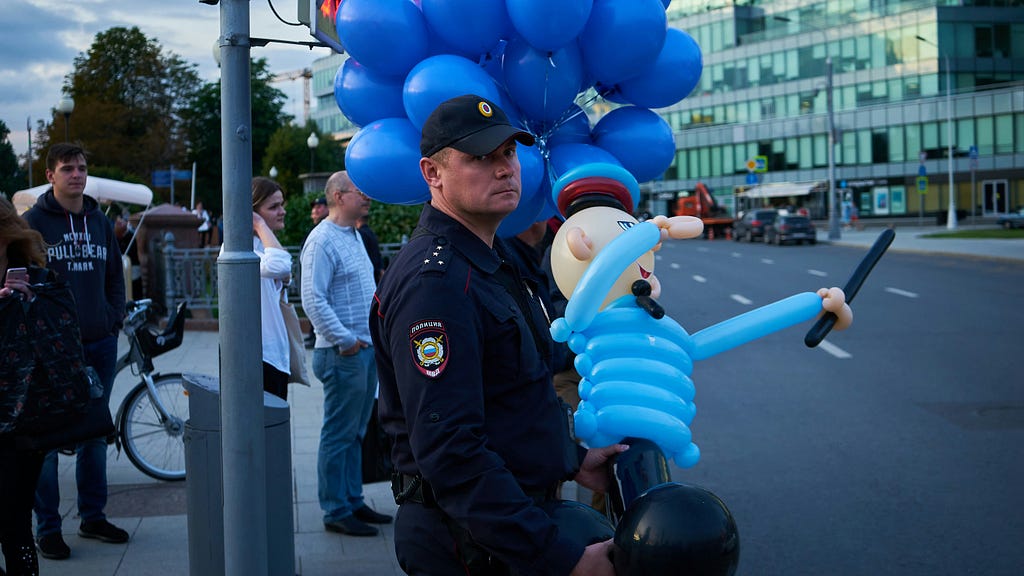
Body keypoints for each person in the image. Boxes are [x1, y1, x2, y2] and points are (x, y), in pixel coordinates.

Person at [369, 94, 626, 576]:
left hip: (501, 526)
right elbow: (452, 450)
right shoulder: (437, 284)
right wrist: (560, 558)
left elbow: (514, 395)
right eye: (481, 158)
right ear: (432, 173)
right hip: (469, 543)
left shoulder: (492, 260)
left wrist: (572, 459)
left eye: (508, 152)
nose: (505, 168)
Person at [22, 143, 128, 560]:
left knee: (95, 434)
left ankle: (93, 516)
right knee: (46, 440)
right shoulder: (33, 223)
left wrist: (113, 318)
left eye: (82, 168)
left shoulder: (99, 221)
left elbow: (114, 276)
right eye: (68, 169)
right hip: (53, 351)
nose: (77, 175)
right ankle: (47, 528)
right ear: (50, 175)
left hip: (100, 342)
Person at [300, 171, 392, 537]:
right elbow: (312, 298)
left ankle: (352, 500)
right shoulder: (321, 240)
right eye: (360, 190)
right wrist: (345, 341)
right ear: (339, 196)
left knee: (355, 432)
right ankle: (335, 508)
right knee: (339, 433)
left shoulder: (352, 234)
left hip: (361, 351)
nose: (367, 195)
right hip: (344, 354)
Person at [0, 197, 49, 576]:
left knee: (16, 522)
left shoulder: (31, 269)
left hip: (24, 412)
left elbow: (54, 330)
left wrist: (31, 303)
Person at [248, 177, 294, 401]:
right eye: (274, 206)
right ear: (253, 212)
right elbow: (281, 264)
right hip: (259, 357)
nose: (282, 211)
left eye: (281, 204)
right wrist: (259, 224)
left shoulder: (258, 245)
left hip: (273, 355)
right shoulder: (239, 249)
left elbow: (282, 270)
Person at [304, 197, 330, 348]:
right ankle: (312, 334)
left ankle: (315, 335)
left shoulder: (325, 232)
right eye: (314, 207)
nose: (315, 210)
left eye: (319, 207)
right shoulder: (315, 231)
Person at [356, 214, 384, 283]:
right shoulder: (371, 233)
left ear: (358, 219)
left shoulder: (360, 234)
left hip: (368, 272)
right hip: (376, 270)